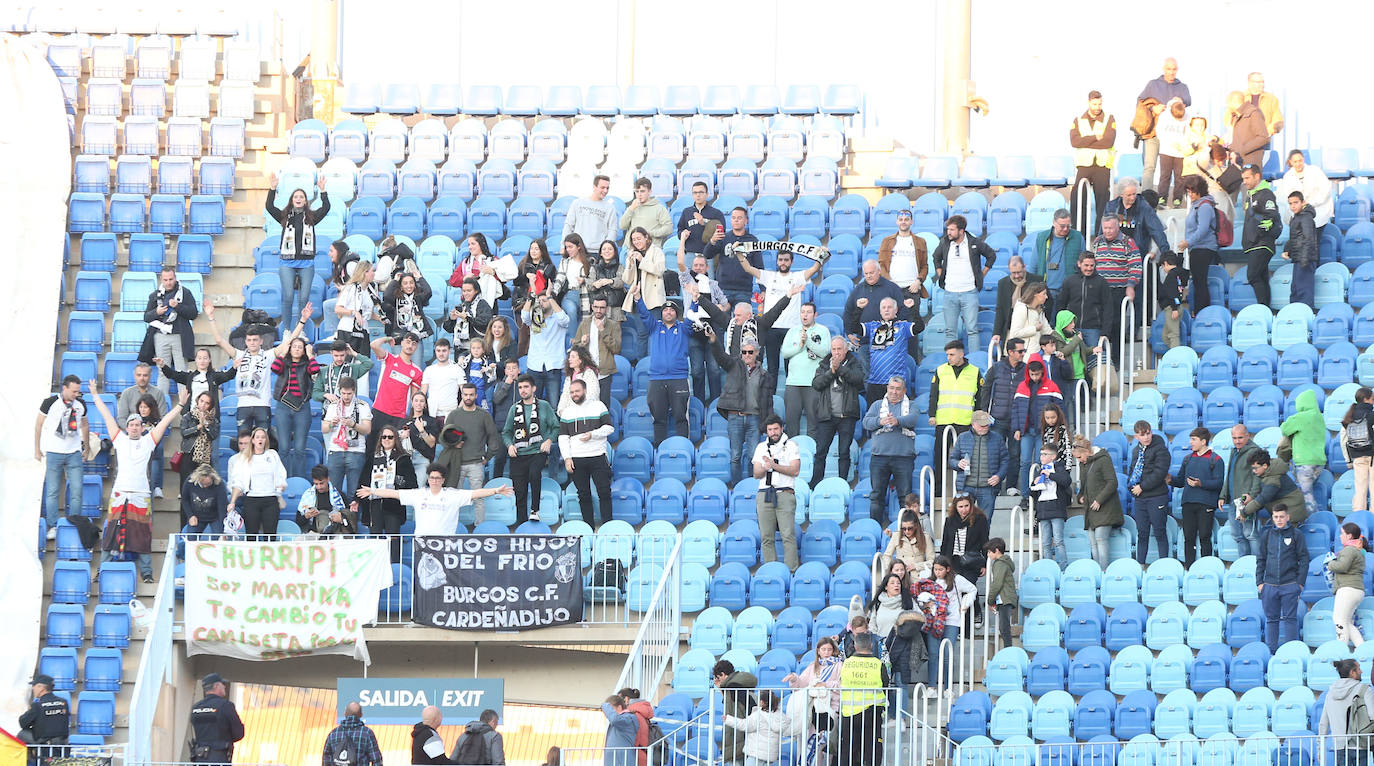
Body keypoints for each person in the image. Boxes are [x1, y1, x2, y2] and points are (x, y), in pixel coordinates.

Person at [89, 382, 180, 581]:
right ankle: (102, 569)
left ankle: (146, 573)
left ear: (142, 427)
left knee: (142, 534)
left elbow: (164, 422)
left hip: (140, 495)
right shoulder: (119, 440)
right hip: (120, 493)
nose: (134, 428)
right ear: (127, 427)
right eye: (131, 425)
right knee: (111, 531)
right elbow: (107, 416)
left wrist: (180, 406)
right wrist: (95, 395)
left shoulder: (148, 441)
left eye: (138, 425)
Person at [204, 301, 296, 436]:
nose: (252, 343)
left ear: (261, 341)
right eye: (249, 340)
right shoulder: (238, 354)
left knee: (263, 442)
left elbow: (289, 342)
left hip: (262, 404)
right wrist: (211, 317)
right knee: (243, 443)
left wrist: (303, 322)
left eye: (255, 340)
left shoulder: (268, 355)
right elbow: (219, 341)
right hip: (243, 405)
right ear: (245, 342)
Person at [732, 242, 824, 376]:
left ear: (791, 262)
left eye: (786, 260)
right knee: (772, 368)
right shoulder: (769, 276)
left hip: (792, 328)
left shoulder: (797, 277)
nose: (783, 262)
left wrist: (821, 254)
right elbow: (748, 268)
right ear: (777, 261)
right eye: (780, 260)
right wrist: (739, 253)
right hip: (771, 327)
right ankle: (771, 396)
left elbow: (815, 268)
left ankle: (790, 397)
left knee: (791, 368)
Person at [359, 466, 511, 536]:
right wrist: (372, 491)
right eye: (432, 477)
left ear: (443, 480)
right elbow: (394, 493)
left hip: (445, 544)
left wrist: (496, 490)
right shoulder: (418, 494)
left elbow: (475, 493)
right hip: (422, 543)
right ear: (428, 479)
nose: (434, 480)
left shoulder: (453, 495)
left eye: (438, 478)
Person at [264, 174, 329, 320]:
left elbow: (326, 208)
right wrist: (272, 188)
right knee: (287, 297)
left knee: (303, 298)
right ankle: (287, 330)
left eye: (301, 197)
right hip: (287, 262)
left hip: (306, 263)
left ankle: (302, 330)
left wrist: (323, 191)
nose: (298, 199)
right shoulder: (284, 216)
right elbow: (269, 207)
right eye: (296, 197)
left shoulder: (312, 217)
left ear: (305, 201)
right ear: (292, 200)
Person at [932, 215, 998, 353]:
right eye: (947, 229)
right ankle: (951, 360)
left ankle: (974, 360)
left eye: (952, 229)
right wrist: (940, 274)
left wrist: (982, 274)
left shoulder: (974, 242)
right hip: (950, 292)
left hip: (969, 292)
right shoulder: (945, 242)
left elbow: (991, 255)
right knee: (950, 330)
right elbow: (936, 257)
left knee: (972, 330)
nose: (948, 232)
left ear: (961, 231)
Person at [914, 555, 977, 696]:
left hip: (951, 621)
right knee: (933, 654)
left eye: (941, 569)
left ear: (948, 569)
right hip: (933, 621)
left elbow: (972, 589)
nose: (938, 572)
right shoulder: (929, 581)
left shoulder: (956, 580)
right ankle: (932, 687)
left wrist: (966, 604)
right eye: (935, 569)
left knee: (947, 654)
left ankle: (948, 687)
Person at [636, 287, 692, 441]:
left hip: (679, 378)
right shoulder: (655, 327)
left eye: (672, 310)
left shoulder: (684, 328)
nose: (668, 312)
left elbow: (693, 316)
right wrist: (638, 298)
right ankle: (660, 450)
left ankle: (683, 448)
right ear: (661, 313)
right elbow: (644, 314)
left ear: (676, 313)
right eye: (665, 310)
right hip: (657, 379)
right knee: (659, 419)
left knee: (681, 418)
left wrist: (694, 300)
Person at [502, 374, 559, 524]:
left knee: (534, 474)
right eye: (520, 387)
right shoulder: (514, 408)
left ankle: (535, 510)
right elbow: (506, 432)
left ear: (534, 388)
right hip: (519, 454)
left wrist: (549, 440)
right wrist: (509, 445)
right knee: (519, 491)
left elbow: (556, 427)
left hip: (537, 451)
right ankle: (521, 523)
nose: (523, 390)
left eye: (526, 387)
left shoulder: (544, 406)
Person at [846, 295, 922, 407]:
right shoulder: (872, 326)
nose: (886, 309)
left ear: (896, 310)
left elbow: (919, 327)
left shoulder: (903, 326)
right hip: (875, 382)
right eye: (884, 307)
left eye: (890, 307)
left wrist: (912, 308)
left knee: (895, 418)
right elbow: (854, 328)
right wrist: (859, 309)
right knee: (875, 418)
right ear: (880, 311)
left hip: (895, 383)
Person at [811, 336, 867, 487]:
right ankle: (815, 484)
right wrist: (831, 371)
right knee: (821, 451)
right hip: (826, 415)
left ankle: (842, 483)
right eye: (834, 349)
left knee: (844, 452)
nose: (836, 352)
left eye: (839, 349)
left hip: (847, 415)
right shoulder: (824, 363)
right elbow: (816, 384)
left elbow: (859, 379)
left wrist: (840, 369)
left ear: (846, 349)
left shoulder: (854, 362)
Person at [37, 375, 89, 537]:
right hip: (54, 451)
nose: (76, 394)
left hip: (73, 452)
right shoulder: (50, 402)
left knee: (77, 490)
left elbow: (85, 425)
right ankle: (53, 525)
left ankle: (72, 524)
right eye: (73, 391)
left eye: (78, 392)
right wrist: (36, 449)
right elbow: (38, 425)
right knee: (52, 491)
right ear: (64, 388)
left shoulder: (81, 404)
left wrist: (86, 447)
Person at [441, 383, 502, 521]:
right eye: (465, 394)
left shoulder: (483, 415)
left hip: (476, 463)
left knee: (478, 498)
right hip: (456, 463)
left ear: (476, 395)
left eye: (471, 395)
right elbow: (444, 436)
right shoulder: (454, 415)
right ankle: (452, 528)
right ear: (461, 395)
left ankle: (479, 528)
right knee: (453, 499)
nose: (468, 397)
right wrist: (454, 442)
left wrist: (488, 457)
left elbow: (493, 437)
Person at [864, 377, 920, 524]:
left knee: (905, 497)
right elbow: (866, 422)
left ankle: (906, 530)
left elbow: (913, 419)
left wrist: (898, 421)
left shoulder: (912, 405)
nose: (894, 392)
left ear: (904, 391)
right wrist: (880, 421)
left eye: (898, 389)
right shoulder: (877, 405)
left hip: (903, 458)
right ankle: (875, 529)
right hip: (879, 457)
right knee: (877, 496)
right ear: (887, 388)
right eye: (891, 388)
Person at [559, 379, 615, 527]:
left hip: (597, 456)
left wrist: (592, 434)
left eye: (577, 391)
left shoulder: (598, 406)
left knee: (604, 492)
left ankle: (607, 526)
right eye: (571, 392)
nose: (574, 394)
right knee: (583, 495)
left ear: (585, 391)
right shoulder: (567, 412)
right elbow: (563, 437)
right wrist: (567, 458)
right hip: (577, 458)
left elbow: (609, 428)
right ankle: (588, 527)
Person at [1256, 504, 1310, 653]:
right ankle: (1272, 653)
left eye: (1281, 517)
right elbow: (1261, 559)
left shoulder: (1296, 534)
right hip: (1269, 586)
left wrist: (1299, 583)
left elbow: (1304, 559)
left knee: (1290, 619)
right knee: (1271, 620)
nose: (1279, 520)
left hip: (1290, 585)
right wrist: (1260, 582)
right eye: (1276, 517)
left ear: (1288, 517)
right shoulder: (1267, 535)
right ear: (1272, 517)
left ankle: (1291, 653)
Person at [1009, 354, 1064, 501]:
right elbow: (1015, 409)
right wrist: (1016, 429)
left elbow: (1060, 409)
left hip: (1043, 432)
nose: (1035, 377)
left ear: (1043, 371)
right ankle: (1026, 495)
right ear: (1028, 372)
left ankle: (1039, 493)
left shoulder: (1052, 386)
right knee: (1025, 462)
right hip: (1026, 431)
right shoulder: (1022, 386)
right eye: (1032, 374)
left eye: (1037, 374)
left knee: (1040, 462)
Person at [139, 266, 199, 399]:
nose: (168, 282)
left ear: (175, 278)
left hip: (179, 335)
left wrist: (178, 306)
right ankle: (161, 405)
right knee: (162, 371)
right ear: (161, 279)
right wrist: (157, 312)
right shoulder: (155, 295)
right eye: (165, 280)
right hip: (160, 336)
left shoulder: (185, 293)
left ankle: (185, 405)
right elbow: (146, 317)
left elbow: (193, 314)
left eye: (171, 279)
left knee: (181, 371)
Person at [750, 415, 802, 569]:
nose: (773, 432)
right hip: (764, 493)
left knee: (787, 535)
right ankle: (771, 570)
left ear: (781, 428)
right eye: (770, 430)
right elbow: (756, 473)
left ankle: (791, 570)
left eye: (776, 429)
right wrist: (766, 467)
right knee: (766, 536)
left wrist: (774, 465)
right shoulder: (761, 447)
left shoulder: (792, 445)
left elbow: (795, 470)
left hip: (784, 493)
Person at [1169, 427, 1225, 566]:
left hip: (1206, 503)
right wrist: (1169, 479)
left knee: (1205, 536)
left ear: (1203, 441)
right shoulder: (1187, 459)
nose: (1190, 442)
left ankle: (1207, 566)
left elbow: (1219, 483)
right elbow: (1181, 481)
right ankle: (1189, 567)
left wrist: (1201, 483)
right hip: (1188, 503)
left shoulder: (1216, 459)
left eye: (1194, 439)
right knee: (1189, 537)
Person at [269, 325, 319, 479]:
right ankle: (283, 480)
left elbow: (315, 371)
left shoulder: (306, 364)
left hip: (302, 407)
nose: (297, 349)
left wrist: (311, 355)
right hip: (283, 407)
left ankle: (298, 480)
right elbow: (274, 368)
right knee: (283, 447)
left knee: (299, 448)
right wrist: (283, 353)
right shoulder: (284, 363)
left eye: (300, 347)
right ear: (290, 349)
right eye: (294, 347)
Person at [783, 637, 843, 765]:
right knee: (812, 743)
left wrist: (825, 684)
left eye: (829, 649)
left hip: (830, 707)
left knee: (825, 745)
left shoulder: (839, 665)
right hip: (812, 708)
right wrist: (794, 679)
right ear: (818, 651)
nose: (826, 652)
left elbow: (842, 683)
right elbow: (801, 684)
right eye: (824, 649)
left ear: (833, 651)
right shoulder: (812, 666)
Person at [1136, 58, 1191, 190]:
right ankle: (1146, 199)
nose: (1171, 72)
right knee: (1149, 167)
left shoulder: (1182, 87)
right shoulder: (1153, 84)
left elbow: (1188, 101)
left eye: (1174, 69)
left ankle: (1174, 199)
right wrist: (1152, 109)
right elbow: (1140, 102)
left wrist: (1181, 101)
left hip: (1174, 136)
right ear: (1163, 69)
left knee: (1176, 171)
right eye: (1168, 69)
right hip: (1153, 132)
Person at [366, 332, 425, 456]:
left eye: (414, 344)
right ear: (402, 343)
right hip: (379, 411)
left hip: (398, 416)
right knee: (372, 450)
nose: (410, 346)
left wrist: (413, 418)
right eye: (408, 342)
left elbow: (415, 398)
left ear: (416, 347)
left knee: (393, 453)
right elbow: (374, 345)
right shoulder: (390, 359)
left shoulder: (417, 371)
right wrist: (388, 338)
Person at [980, 338, 1027, 492]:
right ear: (1010, 352)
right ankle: (995, 485)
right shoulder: (996, 368)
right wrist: (984, 411)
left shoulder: (1026, 370)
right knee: (995, 454)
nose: (1023, 354)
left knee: (1015, 454)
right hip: (997, 419)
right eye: (1020, 351)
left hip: (1017, 421)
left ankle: (1011, 486)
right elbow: (985, 389)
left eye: (1024, 351)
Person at [1091, 213, 1144, 347]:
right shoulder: (1097, 242)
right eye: (1105, 228)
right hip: (1100, 290)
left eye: (1111, 228)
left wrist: (1131, 286)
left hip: (1119, 290)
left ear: (1117, 227)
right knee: (1099, 322)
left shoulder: (1128, 242)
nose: (1107, 231)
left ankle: (1116, 359)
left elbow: (1136, 266)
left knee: (1115, 323)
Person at [224, 425, 287, 538]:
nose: (260, 439)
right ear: (253, 440)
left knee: (270, 536)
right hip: (252, 499)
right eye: (257, 437)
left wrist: (281, 486)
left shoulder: (272, 455)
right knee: (251, 535)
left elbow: (281, 474)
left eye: (263, 437)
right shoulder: (244, 458)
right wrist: (232, 502)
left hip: (270, 499)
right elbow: (238, 481)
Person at [836, 632, 887, 766]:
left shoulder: (846, 663)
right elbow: (885, 684)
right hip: (872, 712)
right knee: (872, 748)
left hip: (849, 713)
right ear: (871, 645)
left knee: (848, 748)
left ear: (855, 645)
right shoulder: (878, 664)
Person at [939, 495, 990, 627]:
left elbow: (985, 541)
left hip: (971, 561)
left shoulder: (980, 519)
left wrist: (984, 563)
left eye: (966, 506)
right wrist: (942, 563)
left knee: (969, 588)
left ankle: (976, 612)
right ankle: (964, 626)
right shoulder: (950, 521)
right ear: (955, 507)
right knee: (958, 592)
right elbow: (945, 543)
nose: (964, 509)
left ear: (971, 505)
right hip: (953, 561)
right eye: (960, 506)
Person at [1073, 435, 1123, 569]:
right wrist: (1080, 496)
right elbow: (1083, 485)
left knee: (1101, 539)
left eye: (1079, 457)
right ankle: (1097, 570)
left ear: (1087, 452)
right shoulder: (1083, 463)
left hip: (1106, 507)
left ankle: (1104, 571)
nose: (1079, 461)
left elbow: (1112, 482)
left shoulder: (1103, 459)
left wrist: (1099, 500)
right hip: (1091, 509)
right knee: (1093, 543)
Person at [781, 301, 830, 438]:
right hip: (793, 383)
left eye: (808, 312)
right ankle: (792, 455)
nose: (805, 315)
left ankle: (812, 454)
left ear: (815, 315)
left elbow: (825, 352)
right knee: (791, 422)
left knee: (814, 422)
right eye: (802, 312)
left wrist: (808, 341)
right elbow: (785, 353)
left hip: (813, 382)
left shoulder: (823, 330)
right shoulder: (793, 331)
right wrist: (800, 345)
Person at [948, 410, 1010, 518]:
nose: (985, 427)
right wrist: (958, 464)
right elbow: (952, 460)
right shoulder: (962, 438)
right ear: (973, 424)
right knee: (963, 522)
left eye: (986, 424)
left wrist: (999, 476)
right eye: (982, 425)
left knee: (985, 523)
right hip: (966, 486)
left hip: (988, 487)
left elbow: (1005, 461)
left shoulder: (997, 438)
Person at [1069, 91, 1117, 228]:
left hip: (1102, 165)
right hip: (1084, 165)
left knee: (1102, 201)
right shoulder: (1078, 119)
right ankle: (1079, 232)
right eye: (1094, 104)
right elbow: (1074, 141)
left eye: (1099, 104)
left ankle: (1100, 234)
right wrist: (1095, 137)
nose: (1097, 107)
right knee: (1077, 198)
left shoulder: (1109, 118)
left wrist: (1085, 141)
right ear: (1089, 102)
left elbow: (1108, 142)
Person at [321, 376, 371, 505]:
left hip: (356, 451)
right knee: (334, 492)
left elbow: (367, 430)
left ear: (354, 391)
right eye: (343, 393)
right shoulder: (333, 406)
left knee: (353, 493)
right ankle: (335, 521)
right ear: (339, 391)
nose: (346, 396)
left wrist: (353, 424)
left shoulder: (362, 406)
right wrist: (332, 423)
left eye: (349, 393)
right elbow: (324, 429)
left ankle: (352, 521)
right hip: (336, 450)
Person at [1125, 421, 1170, 564]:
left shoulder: (1161, 449)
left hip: (1157, 497)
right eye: (1142, 435)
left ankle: (1164, 564)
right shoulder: (1135, 451)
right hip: (1140, 499)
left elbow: (1159, 473)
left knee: (1159, 532)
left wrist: (1142, 487)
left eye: (1148, 433)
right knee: (1142, 534)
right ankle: (1141, 565)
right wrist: (1132, 488)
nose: (1146, 437)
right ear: (1136, 436)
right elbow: (1132, 471)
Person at [1240, 163, 1283, 307]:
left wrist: (1260, 231)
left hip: (1262, 243)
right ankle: (1265, 310)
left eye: (1247, 178)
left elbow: (1271, 214)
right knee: (1262, 277)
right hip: (1253, 244)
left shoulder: (1266, 194)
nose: (1244, 181)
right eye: (1243, 178)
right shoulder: (1250, 195)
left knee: (1252, 276)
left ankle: (1262, 308)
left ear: (1257, 176)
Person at [1176, 176, 1220, 311]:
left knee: (1200, 282)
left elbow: (1203, 229)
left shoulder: (1204, 206)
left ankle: (1202, 311)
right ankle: (1200, 310)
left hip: (1203, 248)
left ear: (1200, 190)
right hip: (1198, 248)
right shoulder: (1198, 205)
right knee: (1198, 281)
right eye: (1188, 192)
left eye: (1192, 192)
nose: (1190, 195)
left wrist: (1188, 242)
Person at [1319, 659, 1374, 765]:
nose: (1361, 671)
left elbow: (1323, 724)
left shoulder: (1330, 693)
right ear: (1352, 673)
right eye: (1358, 669)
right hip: (1360, 744)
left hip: (1339, 746)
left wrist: (1319, 749)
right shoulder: (1364, 689)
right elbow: (1373, 715)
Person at [704, 206, 762, 306]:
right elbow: (707, 255)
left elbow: (759, 267)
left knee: (742, 320)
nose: (736, 220)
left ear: (746, 221)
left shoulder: (753, 241)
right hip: (723, 288)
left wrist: (763, 289)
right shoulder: (723, 238)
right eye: (733, 218)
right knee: (721, 320)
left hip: (744, 290)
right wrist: (712, 241)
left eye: (739, 218)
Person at [1283, 388, 1327, 519]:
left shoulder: (1300, 417)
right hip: (1319, 462)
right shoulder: (1319, 417)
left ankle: (1314, 520)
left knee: (1306, 495)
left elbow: (1285, 429)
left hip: (1304, 462)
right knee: (1311, 492)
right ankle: (1320, 517)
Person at [1221, 425, 1264, 555]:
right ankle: (1244, 562)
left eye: (1240, 437)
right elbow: (1229, 475)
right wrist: (1223, 496)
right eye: (1234, 438)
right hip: (1234, 501)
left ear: (1248, 436)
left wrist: (1252, 495)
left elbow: (1258, 476)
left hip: (1246, 501)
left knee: (1250, 534)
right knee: (1238, 535)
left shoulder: (1255, 451)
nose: (1237, 441)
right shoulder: (1234, 451)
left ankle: (1257, 565)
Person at [1058, 254, 1113, 352]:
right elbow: (1060, 305)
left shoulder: (1101, 282)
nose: (1089, 268)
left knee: (1096, 358)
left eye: (1092, 265)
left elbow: (1108, 308)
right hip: (1072, 328)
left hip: (1093, 328)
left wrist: (1105, 332)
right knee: (1074, 358)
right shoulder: (1069, 281)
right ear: (1079, 264)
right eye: (1086, 265)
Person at [523, 292, 571, 406]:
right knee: (532, 405)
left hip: (553, 366)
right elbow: (524, 316)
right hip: (535, 365)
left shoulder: (558, 318)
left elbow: (564, 320)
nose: (541, 303)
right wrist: (531, 297)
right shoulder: (536, 316)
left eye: (544, 300)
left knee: (554, 405)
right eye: (539, 301)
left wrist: (550, 297)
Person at [574, 296, 622, 407]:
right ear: (592, 307)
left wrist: (603, 331)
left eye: (602, 308)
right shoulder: (584, 324)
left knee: (603, 407)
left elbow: (616, 349)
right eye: (596, 307)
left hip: (604, 373)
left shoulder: (613, 325)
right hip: (586, 372)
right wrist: (582, 343)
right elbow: (575, 348)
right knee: (585, 406)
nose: (598, 310)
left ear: (607, 309)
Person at [1103, 179, 1171, 257]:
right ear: (1121, 195)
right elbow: (1103, 229)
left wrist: (1166, 254)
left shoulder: (1144, 207)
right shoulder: (1111, 206)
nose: (1132, 198)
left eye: (1134, 194)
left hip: (1136, 253)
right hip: (1114, 251)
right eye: (1129, 195)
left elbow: (1157, 231)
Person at [991, 256, 1045, 350]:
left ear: (1024, 267)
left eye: (1019, 272)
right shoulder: (1003, 283)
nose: (1016, 276)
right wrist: (997, 332)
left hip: (1031, 327)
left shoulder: (1036, 280)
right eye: (1013, 273)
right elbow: (1000, 309)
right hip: (1011, 328)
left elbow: (1047, 303)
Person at [1029, 444, 1070, 567]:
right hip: (1043, 509)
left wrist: (1050, 474)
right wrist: (1034, 483)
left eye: (1045, 454)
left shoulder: (1059, 468)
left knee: (1058, 541)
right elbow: (1032, 492)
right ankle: (1048, 567)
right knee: (1045, 543)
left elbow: (1066, 481)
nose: (1042, 457)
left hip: (1056, 508)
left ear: (1053, 456)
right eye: (1041, 454)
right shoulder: (1039, 470)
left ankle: (1063, 567)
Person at [188, 673, 244, 764]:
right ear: (216, 686)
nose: (224, 687)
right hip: (219, 758)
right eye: (223, 684)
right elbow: (239, 733)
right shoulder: (226, 706)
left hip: (199, 759)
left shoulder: (196, 707)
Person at [722, 690, 788, 766]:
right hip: (770, 755)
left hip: (756, 753)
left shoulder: (758, 715)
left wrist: (728, 719)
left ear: (762, 702)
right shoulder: (780, 716)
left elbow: (744, 725)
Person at [1278, 150, 1334, 239]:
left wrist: (1310, 203)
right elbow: (1288, 195)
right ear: (1291, 162)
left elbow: (1325, 190)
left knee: (1314, 243)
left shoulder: (1315, 171)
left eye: (1300, 160)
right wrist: (1299, 205)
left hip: (1318, 213)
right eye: (1295, 161)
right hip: (1299, 216)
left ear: (1303, 160)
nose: (1298, 164)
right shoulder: (1288, 176)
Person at [1330, 523, 1370, 648]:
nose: (1340, 536)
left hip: (1347, 589)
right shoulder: (1357, 550)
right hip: (1356, 590)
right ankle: (1362, 649)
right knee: (1347, 622)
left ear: (1349, 535)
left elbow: (1342, 566)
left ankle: (1341, 651)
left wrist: (1330, 564)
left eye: (1342, 533)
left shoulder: (1349, 550)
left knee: (1338, 620)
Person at [562, 176, 618, 263]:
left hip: (598, 252)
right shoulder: (577, 203)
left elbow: (612, 230)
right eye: (602, 187)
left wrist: (605, 249)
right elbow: (568, 225)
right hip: (579, 250)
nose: (605, 191)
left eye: (607, 188)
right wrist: (563, 246)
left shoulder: (610, 208)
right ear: (594, 187)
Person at [713, 660, 759, 766]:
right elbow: (731, 704)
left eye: (718, 677)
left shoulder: (732, 687)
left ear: (723, 674)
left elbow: (737, 708)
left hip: (738, 733)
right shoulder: (738, 684)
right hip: (745, 731)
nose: (717, 680)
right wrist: (721, 688)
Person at [1033, 210, 1085, 303]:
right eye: (1062, 226)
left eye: (1068, 226)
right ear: (1054, 223)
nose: (1065, 229)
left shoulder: (1077, 237)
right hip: (1046, 291)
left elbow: (1084, 262)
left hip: (1070, 291)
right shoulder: (1042, 237)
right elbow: (1034, 264)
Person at [878, 209, 930, 301]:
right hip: (892, 288)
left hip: (912, 288)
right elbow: (881, 265)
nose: (903, 222)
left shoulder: (920, 241)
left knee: (913, 316)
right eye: (901, 219)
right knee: (892, 315)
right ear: (897, 221)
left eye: (906, 219)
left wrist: (918, 281)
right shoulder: (887, 241)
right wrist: (889, 282)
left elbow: (924, 266)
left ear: (911, 222)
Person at [334, 261, 383, 355]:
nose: (374, 274)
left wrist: (381, 319)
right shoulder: (351, 288)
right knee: (347, 362)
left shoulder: (371, 290)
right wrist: (354, 312)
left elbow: (367, 312)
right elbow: (338, 309)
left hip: (364, 330)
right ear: (364, 272)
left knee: (363, 363)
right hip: (347, 329)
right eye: (372, 271)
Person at [1154, 98, 1194, 208]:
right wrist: (1169, 142)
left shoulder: (1188, 116)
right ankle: (1162, 198)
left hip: (1181, 153)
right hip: (1166, 151)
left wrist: (1183, 145)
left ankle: (1177, 199)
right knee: (1165, 176)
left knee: (1179, 177)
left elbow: (1189, 133)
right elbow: (1159, 131)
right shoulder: (1164, 116)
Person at [382, 267, 437, 344]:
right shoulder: (396, 299)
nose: (409, 286)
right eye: (405, 283)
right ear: (401, 286)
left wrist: (420, 278)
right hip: (399, 335)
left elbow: (428, 292)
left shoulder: (418, 298)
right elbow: (387, 295)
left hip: (416, 334)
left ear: (415, 285)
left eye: (411, 282)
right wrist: (394, 281)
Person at [295, 464, 354, 536]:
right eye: (316, 484)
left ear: (328, 479)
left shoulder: (339, 495)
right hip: (313, 533)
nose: (319, 487)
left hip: (335, 533)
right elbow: (298, 522)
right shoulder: (307, 496)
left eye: (321, 483)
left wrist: (341, 519)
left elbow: (350, 520)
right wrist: (306, 516)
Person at [17, 673, 68, 754]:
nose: (33, 688)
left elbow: (22, 723)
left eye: (34, 685)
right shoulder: (64, 702)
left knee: (22, 733)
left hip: (44, 747)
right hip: (61, 747)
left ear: (41, 688)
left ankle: (29, 760)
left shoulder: (37, 705)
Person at [1284, 190, 1318, 310]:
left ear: (1303, 202)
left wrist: (1305, 259)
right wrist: (1287, 249)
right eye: (1290, 203)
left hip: (1305, 259)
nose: (1293, 206)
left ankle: (1305, 314)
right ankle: (1295, 313)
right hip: (1299, 258)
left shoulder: (1306, 217)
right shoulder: (1297, 217)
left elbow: (1308, 239)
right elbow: (1295, 237)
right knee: (1296, 289)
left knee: (1304, 289)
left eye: (1296, 202)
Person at [845, 260, 906, 326]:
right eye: (866, 273)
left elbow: (903, 310)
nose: (868, 276)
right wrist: (849, 333)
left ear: (879, 271)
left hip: (887, 333)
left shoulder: (892, 288)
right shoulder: (858, 289)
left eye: (871, 273)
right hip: (863, 334)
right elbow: (848, 311)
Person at [322, 701, 383, 766]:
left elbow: (326, 758)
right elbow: (377, 760)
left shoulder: (333, 734)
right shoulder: (367, 733)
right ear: (361, 715)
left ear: (345, 714)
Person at [618, 177, 672, 248]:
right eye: (637, 191)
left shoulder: (659, 208)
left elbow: (668, 228)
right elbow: (622, 226)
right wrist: (630, 209)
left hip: (650, 250)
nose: (639, 194)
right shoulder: (632, 207)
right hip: (630, 249)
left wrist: (650, 233)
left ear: (649, 192)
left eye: (642, 191)